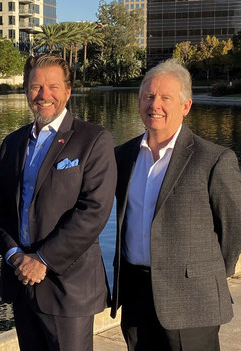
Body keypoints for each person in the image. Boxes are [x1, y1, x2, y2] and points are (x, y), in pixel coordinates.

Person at [111, 58, 241, 351]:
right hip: (135, 295)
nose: (155, 104)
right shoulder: (122, 155)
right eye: (148, 96)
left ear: (185, 106)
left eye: (165, 97)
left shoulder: (214, 159)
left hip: (192, 300)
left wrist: (205, 275)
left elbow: (233, 229)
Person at [0, 54, 117, 351]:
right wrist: (13, 255)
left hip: (68, 288)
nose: (44, 95)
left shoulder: (94, 139)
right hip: (21, 281)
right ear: (26, 91)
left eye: (53, 87)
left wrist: (43, 259)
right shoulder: (12, 142)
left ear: (68, 91)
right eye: (36, 87)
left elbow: (94, 211)